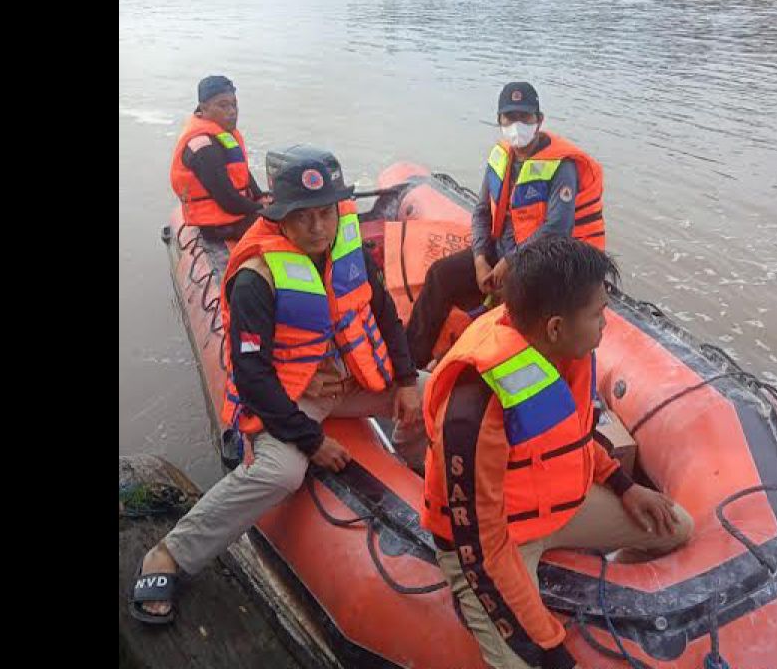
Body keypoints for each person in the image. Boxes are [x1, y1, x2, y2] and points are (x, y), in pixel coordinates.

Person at [131, 146, 427, 624]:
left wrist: (408, 380)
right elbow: (252, 377)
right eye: (302, 217)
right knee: (280, 473)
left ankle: (423, 470)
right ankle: (169, 555)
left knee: (438, 392)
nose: (317, 228)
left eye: (325, 213)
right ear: (279, 217)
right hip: (292, 396)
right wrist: (311, 440)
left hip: (347, 380)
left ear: (338, 210)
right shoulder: (256, 276)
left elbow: (385, 314)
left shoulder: (348, 246)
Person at [421, 236, 693, 669]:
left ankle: (600, 590)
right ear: (555, 327)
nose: (605, 325)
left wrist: (624, 485)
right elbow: (482, 543)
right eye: (598, 314)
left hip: (558, 505)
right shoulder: (474, 405)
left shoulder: (567, 351)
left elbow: (576, 435)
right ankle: (476, 609)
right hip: (493, 538)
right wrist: (549, 647)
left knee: (676, 527)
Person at [406, 82, 606, 368]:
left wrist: (509, 263)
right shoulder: (500, 156)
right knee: (440, 274)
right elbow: (481, 212)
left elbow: (557, 228)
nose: (516, 125)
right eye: (509, 118)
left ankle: (477, 363)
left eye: (525, 118)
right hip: (499, 253)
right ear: (499, 120)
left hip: (539, 262)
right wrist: (479, 260)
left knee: (509, 310)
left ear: (539, 120)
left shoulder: (562, 166)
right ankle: (412, 364)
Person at [169, 75, 266, 240]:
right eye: (223, 105)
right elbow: (228, 200)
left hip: (234, 216)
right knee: (286, 225)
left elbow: (240, 172)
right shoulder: (203, 148)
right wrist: (261, 208)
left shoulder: (222, 133)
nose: (232, 111)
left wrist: (260, 195)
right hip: (218, 225)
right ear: (204, 108)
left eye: (234, 104)